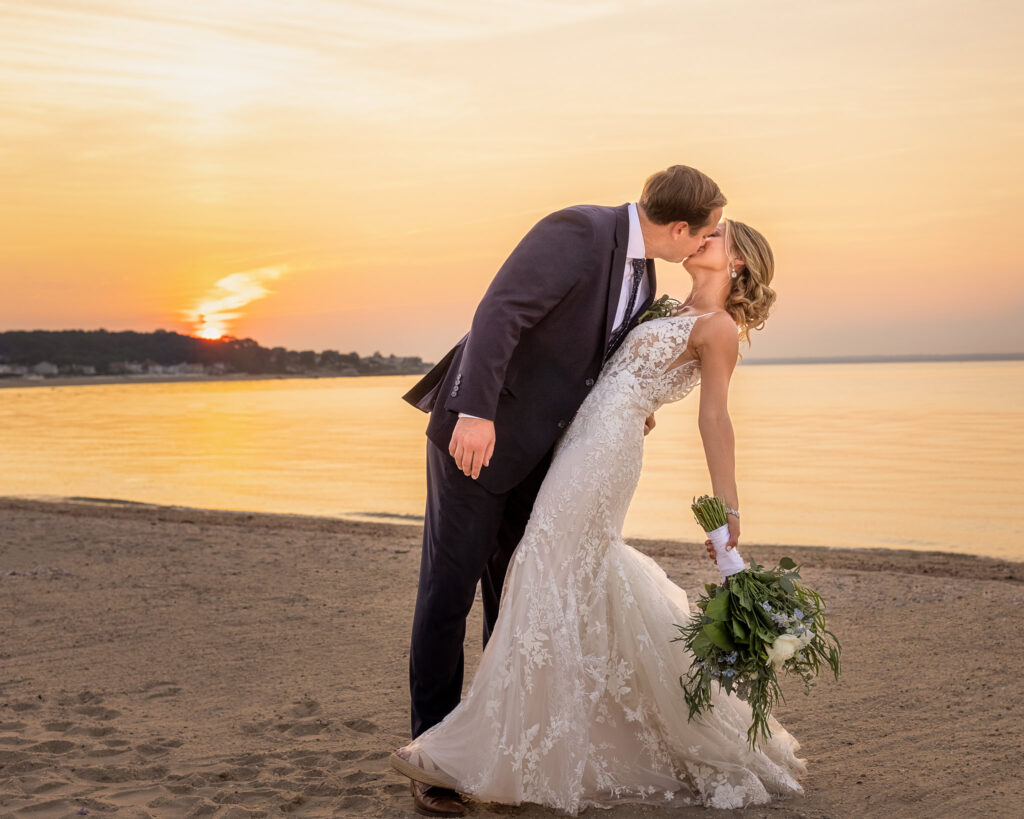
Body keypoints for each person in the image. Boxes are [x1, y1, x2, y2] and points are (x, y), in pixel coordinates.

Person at [392, 219, 807, 814]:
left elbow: (714, 418)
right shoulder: (661, 303)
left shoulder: (718, 330)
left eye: (716, 237)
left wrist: (727, 509)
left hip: (603, 454)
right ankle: (506, 737)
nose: (701, 240)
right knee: (547, 576)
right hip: (569, 440)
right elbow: (601, 368)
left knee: (540, 569)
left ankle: (486, 744)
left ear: (739, 263)